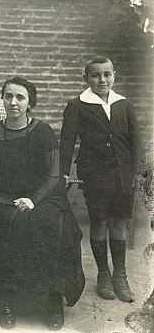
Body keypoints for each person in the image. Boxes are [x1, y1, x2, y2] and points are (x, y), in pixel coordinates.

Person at [0, 76, 85, 330]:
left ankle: (53, 299)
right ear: (2, 99)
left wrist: (33, 199)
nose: (13, 102)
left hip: (43, 197)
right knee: (4, 224)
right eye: (8, 96)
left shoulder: (42, 132)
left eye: (20, 97)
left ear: (29, 103)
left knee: (54, 225)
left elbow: (53, 175)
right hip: (3, 198)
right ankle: (7, 299)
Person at [60, 56, 140, 303]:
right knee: (99, 222)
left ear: (114, 75)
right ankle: (104, 274)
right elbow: (67, 141)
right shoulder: (78, 105)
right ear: (86, 79)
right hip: (94, 174)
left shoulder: (124, 105)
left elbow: (136, 141)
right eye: (96, 75)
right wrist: (63, 172)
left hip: (123, 174)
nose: (102, 79)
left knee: (119, 223)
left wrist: (137, 171)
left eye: (107, 74)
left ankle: (121, 275)